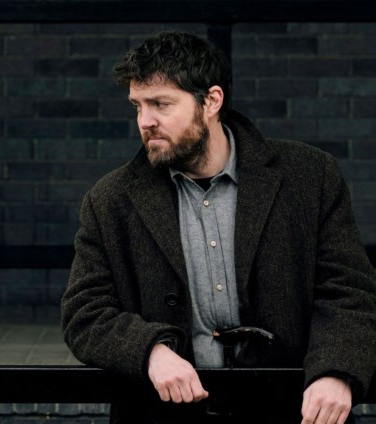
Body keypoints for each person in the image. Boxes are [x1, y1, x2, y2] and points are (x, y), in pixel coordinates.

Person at [61, 30, 376, 424]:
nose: (145, 121)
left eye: (161, 104)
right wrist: (150, 351)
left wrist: (336, 370)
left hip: (292, 411)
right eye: (137, 106)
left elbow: (348, 291)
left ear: (211, 100)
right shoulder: (110, 199)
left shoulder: (310, 176)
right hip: (164, 416)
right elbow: (85, 313)